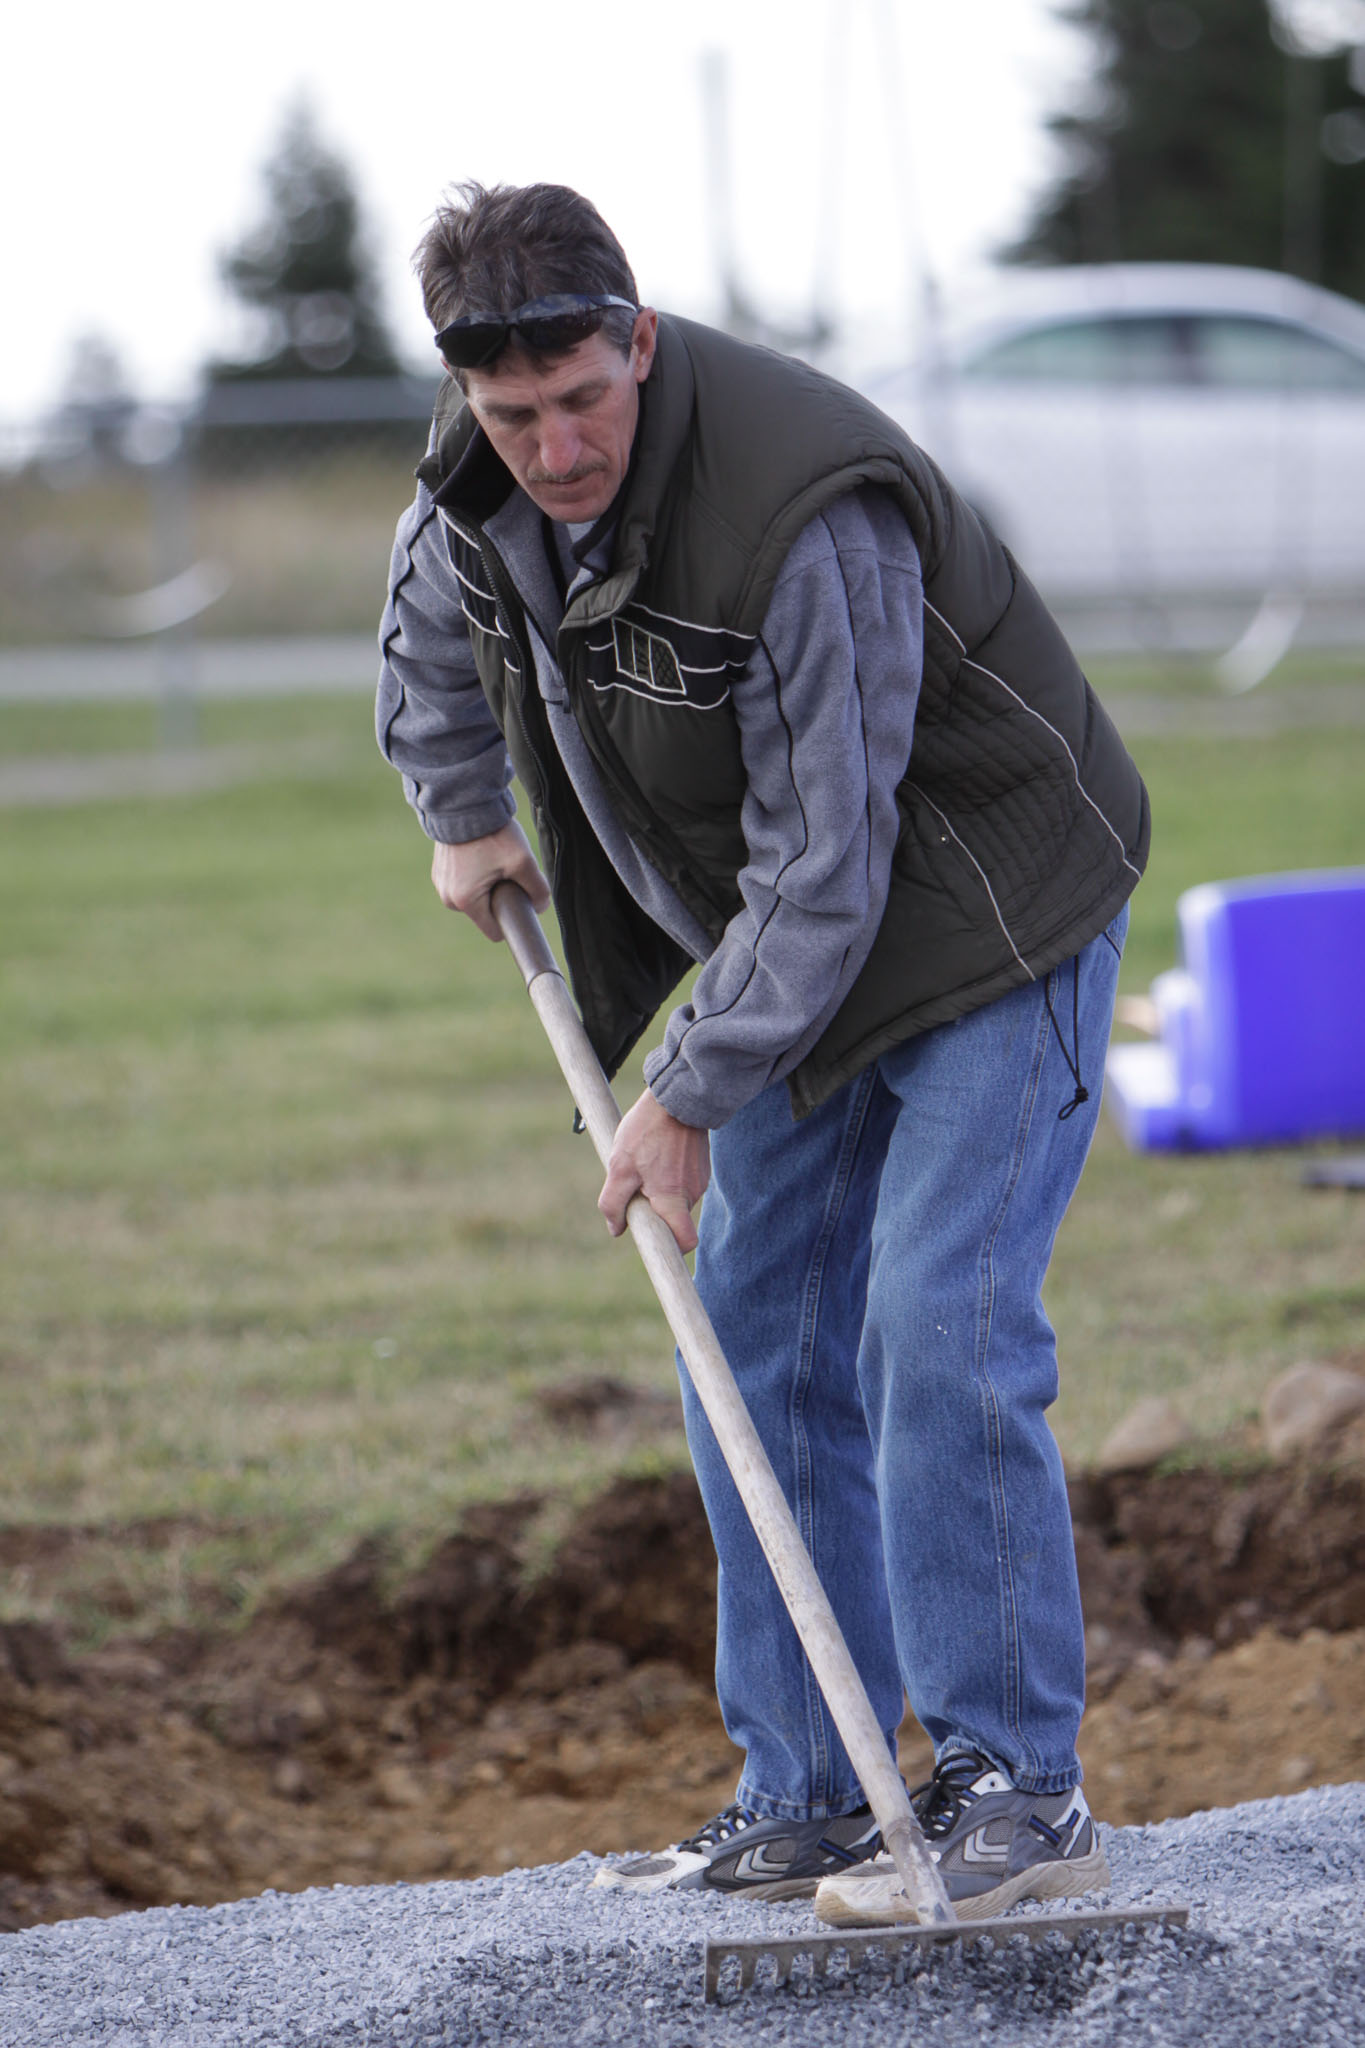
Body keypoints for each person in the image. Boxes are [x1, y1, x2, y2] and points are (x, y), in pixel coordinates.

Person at [375, 181, 1149, 1924]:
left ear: (637, 338)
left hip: (989, 906)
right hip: (795, 938)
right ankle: (809, 1792)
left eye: (584, 396)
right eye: (513, 416)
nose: (555, 447)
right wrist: (460, 812)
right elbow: (429, 631)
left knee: (935, 1320)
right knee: (756, 1341)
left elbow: (831, 860)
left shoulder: (804, 514)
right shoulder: (476, 474)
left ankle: (1016, 1792)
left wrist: (680, 1093)